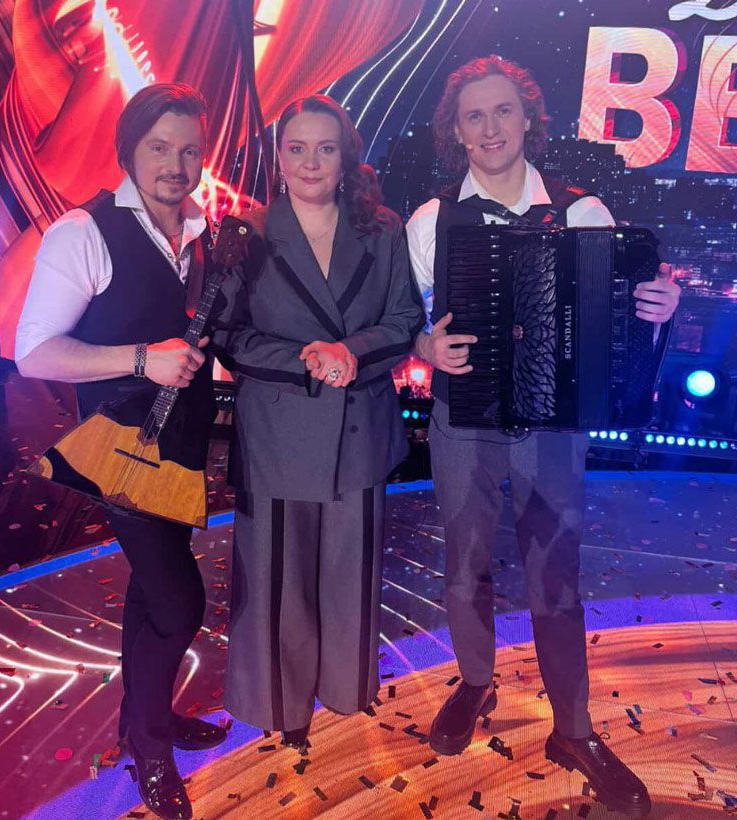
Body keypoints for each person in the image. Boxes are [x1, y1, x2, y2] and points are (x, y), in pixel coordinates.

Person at [406, 56, 680, 817]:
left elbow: (620, 327)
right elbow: (406, 323)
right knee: (463, 566)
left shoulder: (583, 212)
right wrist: (423, 346)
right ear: (456, 131)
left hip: (553, 424)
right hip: (463, 419)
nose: (490, 127)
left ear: (529, 119)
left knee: (556, 577)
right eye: (474, 115)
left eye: (503, 111)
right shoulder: (429, 222)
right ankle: (476, 681)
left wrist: (658, 309)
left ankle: (574, 729)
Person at [15, 83, 227, 820]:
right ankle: (150, 748)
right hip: (118, 450)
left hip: (181, 447)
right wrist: (142, 358)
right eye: (159, 147)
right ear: (129, 149)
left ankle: (143, 723)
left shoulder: (200, 231)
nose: (176, 164)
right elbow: (35, 353)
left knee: (150, 592)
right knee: (180, 600)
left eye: (190, 150)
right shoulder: (84, 231)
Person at [211, 94, 423, 749]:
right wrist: (307, 361)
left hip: (360, 428)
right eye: (297, 148)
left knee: (349, 575)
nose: (310, 162)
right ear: (278, 157)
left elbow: (404, 320)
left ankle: (344, 690)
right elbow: (227, 335)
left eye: (325, 148)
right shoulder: (246, 232)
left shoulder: (383, 229)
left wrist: (349, 353)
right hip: (277, 432)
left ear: (345, 157)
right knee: (277, 581)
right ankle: (280, 701)